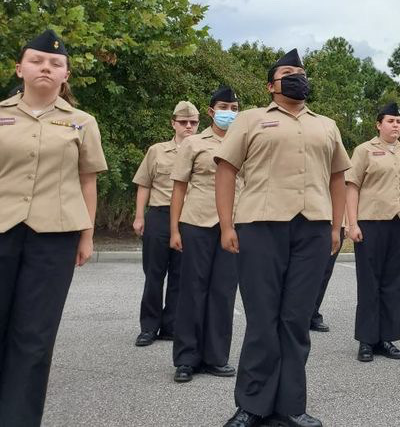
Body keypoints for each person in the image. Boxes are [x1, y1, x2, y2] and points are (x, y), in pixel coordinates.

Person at [215, 48, 351, 427]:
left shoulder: (326, 125)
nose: (297, 76)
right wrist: (227, 225)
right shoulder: (249, 120)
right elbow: (226, 170)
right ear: (270, 84)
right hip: (260, 226)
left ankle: (290, 405)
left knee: (295, 320)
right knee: (262, 318)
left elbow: (338, 176)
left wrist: (336, 226)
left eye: (301, 71)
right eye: (288, 71)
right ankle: (252, 405)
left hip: (312, 229)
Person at [0, 29, 108, 426]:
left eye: (56, 63)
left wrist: (87, 235)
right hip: (2, 229)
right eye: (37, 60)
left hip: (55, 237)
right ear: (20, 68)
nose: (46, 67)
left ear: (66, 75)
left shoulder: (81, 123)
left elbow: (87, 180)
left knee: (34, 336)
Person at [169, 86, 242, 384]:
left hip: (234, 226)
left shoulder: (245, 142)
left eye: (235, 108)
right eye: (224, 106)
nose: (229, 112)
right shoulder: (194, 143)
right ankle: (187, 358)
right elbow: (179, 187)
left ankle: (216, 356)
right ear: (211, 111)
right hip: (197, 223)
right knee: (192, 290)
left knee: (223, 292)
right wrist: (174, 228)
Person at [347, 102, 400, 362]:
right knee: (370, 282)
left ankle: (387, 338)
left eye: (399, 122)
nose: (395, 126)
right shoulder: (364, 150)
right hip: (371, 222)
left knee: (394, 282)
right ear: (379, 124)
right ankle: (367, 340)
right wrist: (352, 223)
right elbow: (352, 186)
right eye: (390, 121)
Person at [132, 100, 199, 347]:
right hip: (160, 214)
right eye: (183, 122)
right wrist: (140, 216)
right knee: (154, 274)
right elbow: (144, 184)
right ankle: (149, 327)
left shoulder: (204, 149)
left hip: (190, 217)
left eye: (193, 122)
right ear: (173, 123)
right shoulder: (157, 150)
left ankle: (171, 325)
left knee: (181, 276)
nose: (188, 126)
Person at [310, 217, 347, 333]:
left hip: (336, 222)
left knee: (325, 272)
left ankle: (313, 314)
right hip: (314, 219)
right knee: (308, 271)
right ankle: (300, 314)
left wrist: (348, 224)